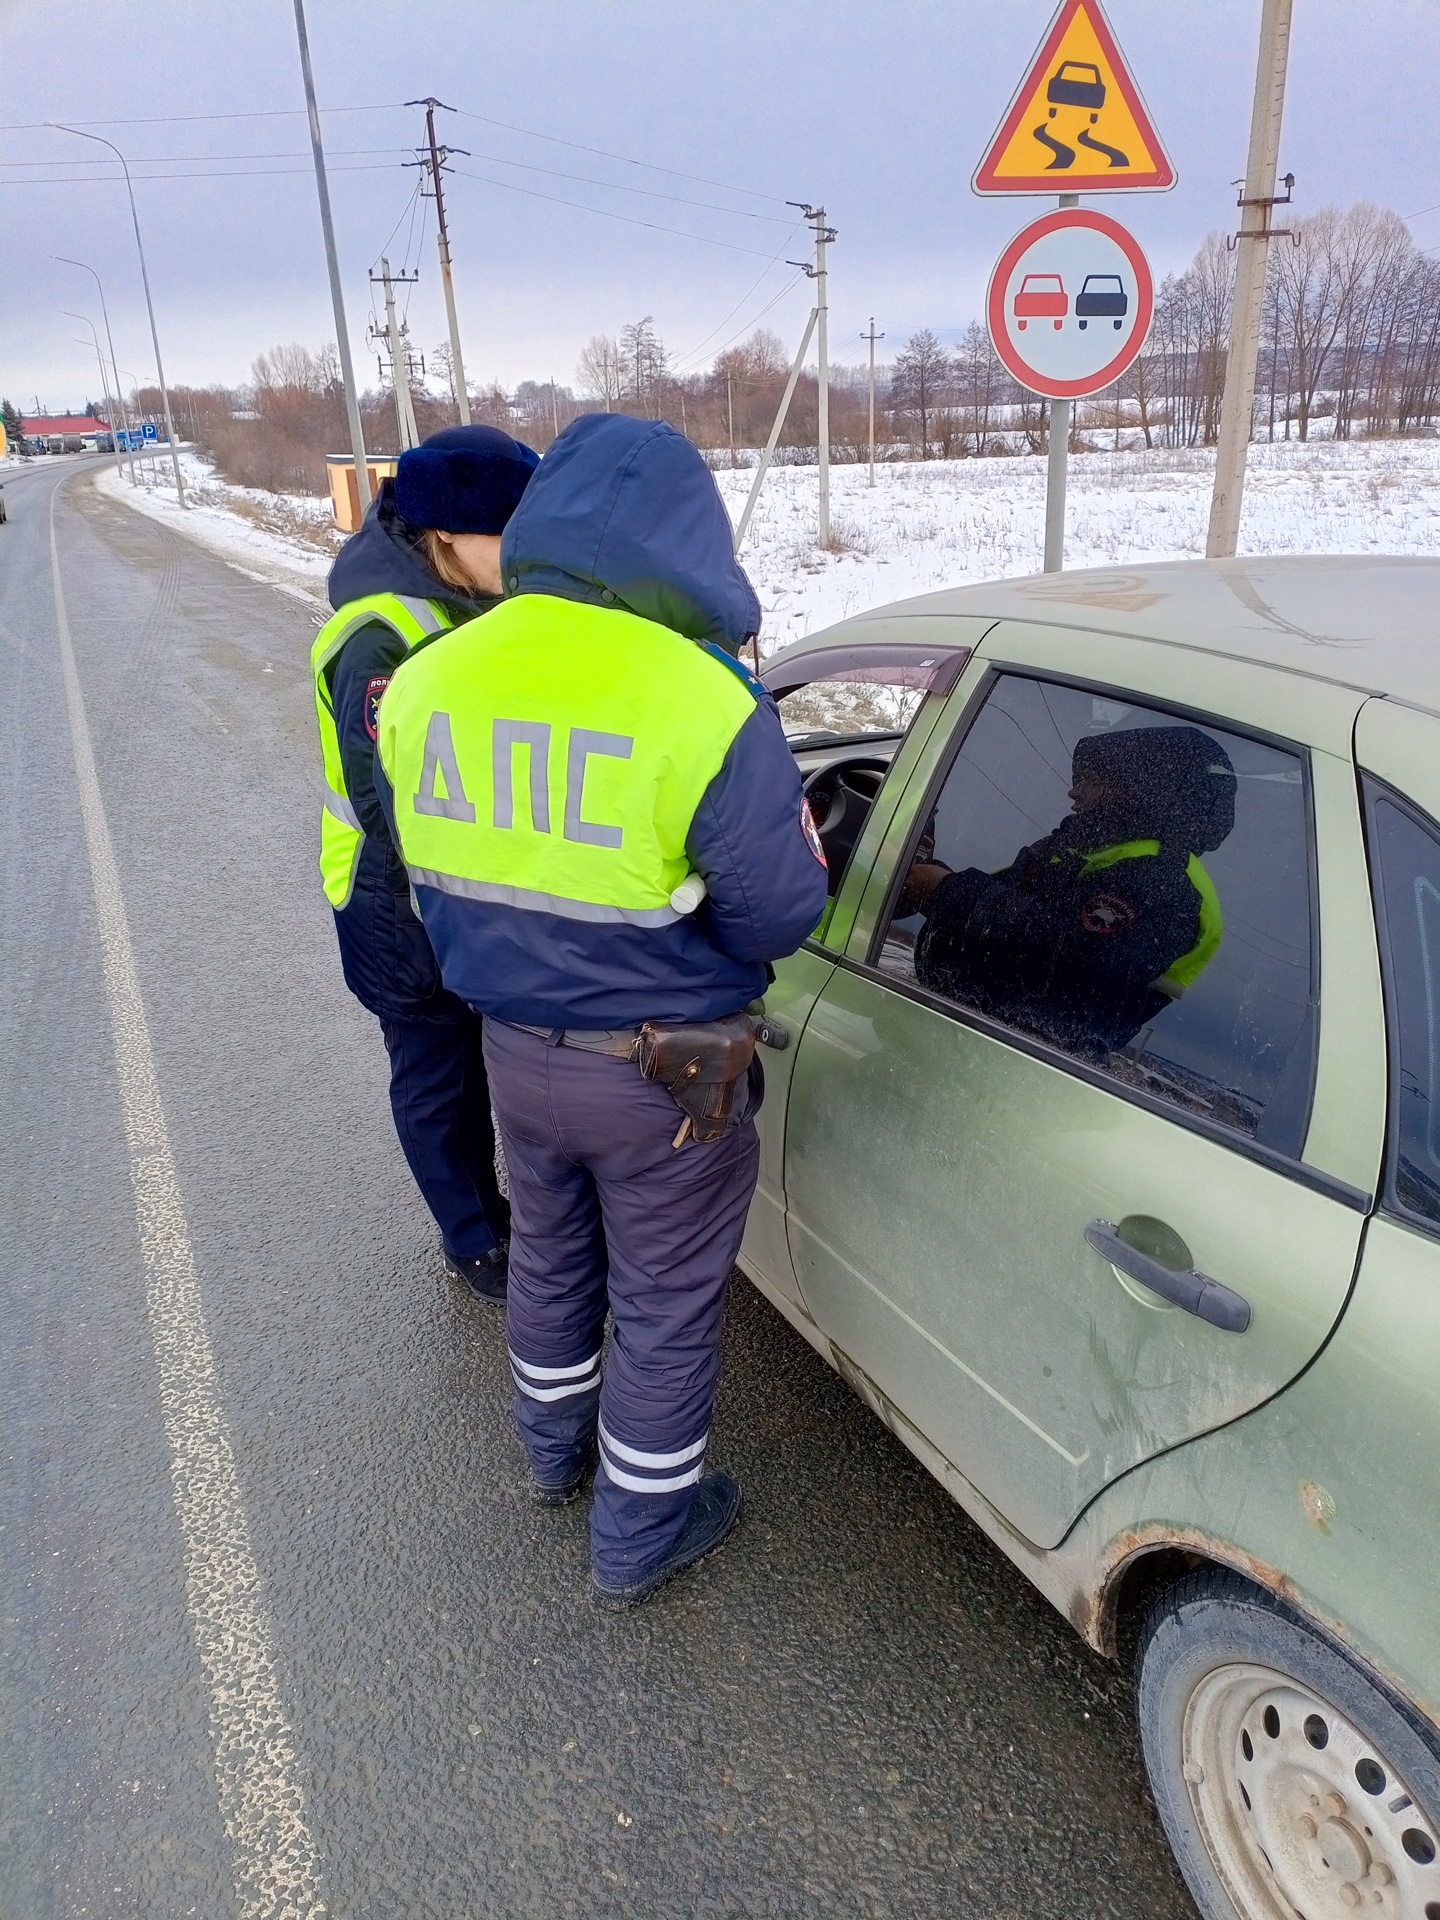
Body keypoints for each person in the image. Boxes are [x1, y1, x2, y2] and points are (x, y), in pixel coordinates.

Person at [376, 413, 829, 1606]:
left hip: (514, 1053)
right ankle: (639, 1539)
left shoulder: (427, 677)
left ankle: (548, 1458)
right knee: (668, 1309)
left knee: (552, 1261)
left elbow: (430, 873)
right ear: (686, 536)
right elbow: (779, 912)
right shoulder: (702, 696)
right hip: (664, 1078)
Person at [311, 423, 538, 1300]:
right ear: (445, 535)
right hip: (393, 900)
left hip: (471, 891)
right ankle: (473, 1234)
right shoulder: (382, 636)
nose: (520, 554)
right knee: (438, 1074)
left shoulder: (477, 607)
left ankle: (505, 1209)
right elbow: (390, 804)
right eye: (505, 535)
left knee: (493, 1059)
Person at [904, 723, 1236, 1059]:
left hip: (1024, 1061)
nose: (1074, 792)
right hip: (963, 1029)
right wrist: (928, 879)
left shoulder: (1166, 881)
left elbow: (1070, 960)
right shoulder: (1078, 851)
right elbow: (1002, 896)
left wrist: (948, 892)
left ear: (1136, 789)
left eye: (1091, 779)